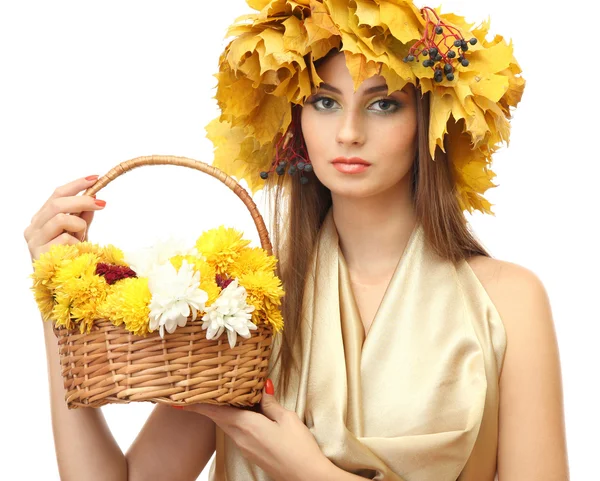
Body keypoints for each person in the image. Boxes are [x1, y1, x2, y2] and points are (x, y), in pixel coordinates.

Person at [24, 1, 569, 480]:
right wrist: (57, 300)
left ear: (431, 124)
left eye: (384, 104)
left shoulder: (508, 302)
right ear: (295, 123)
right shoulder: (242, 304)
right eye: (326, 102)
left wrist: (308, 471)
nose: (349, 131)